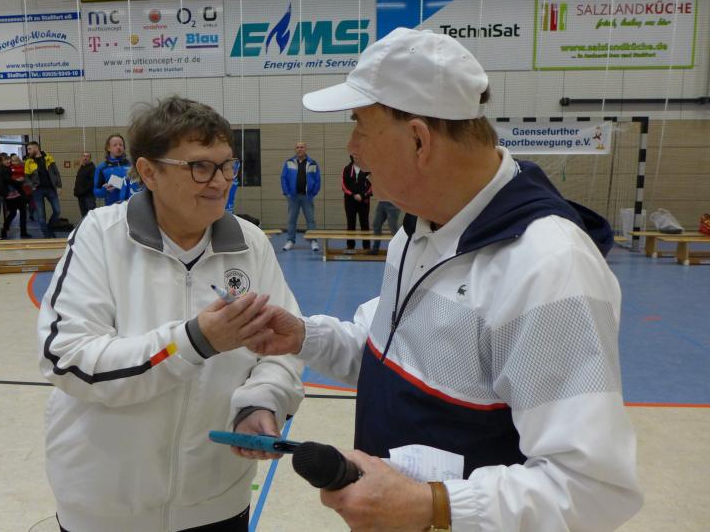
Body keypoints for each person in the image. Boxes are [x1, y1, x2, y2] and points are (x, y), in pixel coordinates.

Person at [243, 28, 642, 531]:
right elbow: (390, 356)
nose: (352, 148)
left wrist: (434, 505)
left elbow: (592, 488)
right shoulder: (419, 230)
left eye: (360, 125)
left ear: (418, 139)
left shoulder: (547, 266)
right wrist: (305, 337)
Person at [37, 95, 303, 532]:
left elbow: (281, 349)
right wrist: (191, 343)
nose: (220, 182)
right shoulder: (101, 236)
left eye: (227, 165)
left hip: (218, 501)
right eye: (200, 167)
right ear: (148, 172)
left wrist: (262, 400)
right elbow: (67, 358)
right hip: (106, 510)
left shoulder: (250, 244)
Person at [280, 141, 320, 251]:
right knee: (292, 220)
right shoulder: (289, 162)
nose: (299, 149)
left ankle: (313, 241)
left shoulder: (312, 163)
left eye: (302, 147)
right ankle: (290, 241)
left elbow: (317, 179)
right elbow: (283, 178)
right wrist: (287, 192)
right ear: (295, 149)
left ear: (305, 149)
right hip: (293, 197)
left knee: (311, 220)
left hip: (307, 197)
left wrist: (313, 192)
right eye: (297, 147)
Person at [25, 141, 62, 238]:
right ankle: (47, 236)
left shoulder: (48, 158)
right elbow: (26, 177)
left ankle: (49, 229)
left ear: (36, 148)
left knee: (57, 211)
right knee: (41, 217)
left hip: (51, 189)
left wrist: (59, 186)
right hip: (37, 191)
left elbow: (56, 173)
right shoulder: (28, 162)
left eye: (29, 149)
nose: (28, 151)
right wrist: (32, 186)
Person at [341, 155, 372, 253]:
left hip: (364, 201)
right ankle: (350, 247)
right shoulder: (347, 169)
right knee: (351, 224)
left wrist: (362, 195)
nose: (356, 156)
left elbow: (371, 185)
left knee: (364, 224)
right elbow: (343, 185)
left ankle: (366, 247)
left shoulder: (367, 169)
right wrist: (353, 195)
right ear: (351, 156)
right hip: (350, 201)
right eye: (354, 155)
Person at [93, 134, 134, 206]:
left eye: (121, 145)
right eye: (115, 145)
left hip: (131, 206)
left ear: (124, 147)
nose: (118, 147)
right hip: (112, 208)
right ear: (108, 148)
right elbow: (96, 191)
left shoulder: (132, 165)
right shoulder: (102, 168)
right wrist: (104, 191)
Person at [73, 151, 96, 216]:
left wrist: (83, 191)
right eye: (84, 156)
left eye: (87, 156)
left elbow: (92, 182)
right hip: (81, 196)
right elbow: (78, 180)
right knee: (84, 215)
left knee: (91, 215)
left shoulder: (92, 168)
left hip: (89, 196)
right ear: (82, 157)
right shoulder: (81, 168)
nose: (85, 158)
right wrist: (76, 191)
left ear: (90, 158)